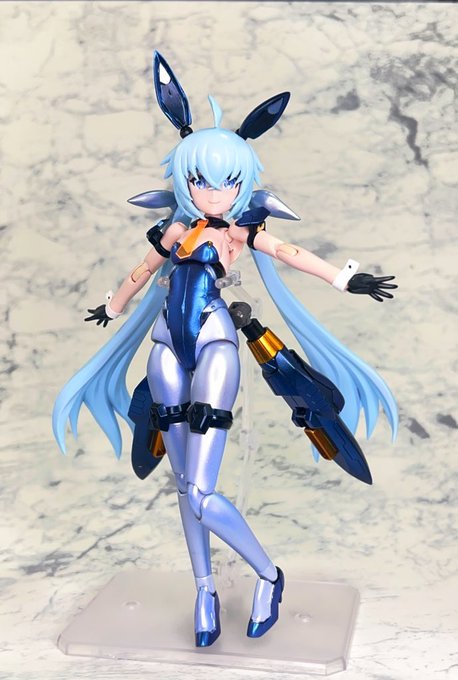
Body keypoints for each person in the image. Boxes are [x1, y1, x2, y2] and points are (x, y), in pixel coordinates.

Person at [53, 52, 397, 647]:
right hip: (165, 347)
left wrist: (345, 278)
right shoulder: (171, 230)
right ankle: (205, 588)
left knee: (202, 490)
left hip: (214, 342)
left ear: (241, 183)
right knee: (183, 485)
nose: (214, 192)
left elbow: (289, 253)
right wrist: (111, 308)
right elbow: (141, 272)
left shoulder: (240, 229)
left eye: (227, 182)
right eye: (202, 181)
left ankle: (268, 574)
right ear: (185, 178)